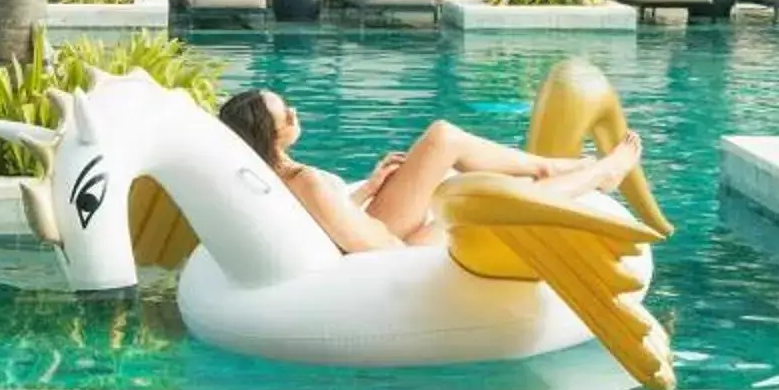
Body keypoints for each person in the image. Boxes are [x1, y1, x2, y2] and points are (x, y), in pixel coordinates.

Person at [216, 88, 639, 255]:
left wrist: (370, 189)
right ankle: (596, 174)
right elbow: (359, 244)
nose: (293, 111)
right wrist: (419, 242)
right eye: (284, 114)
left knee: (444, 140)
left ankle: (552, 166)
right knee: (492, 200)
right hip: (395, 247)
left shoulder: (278, 178)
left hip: (382, 226)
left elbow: (324, 223)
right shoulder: (302, 178)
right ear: (271, 136)